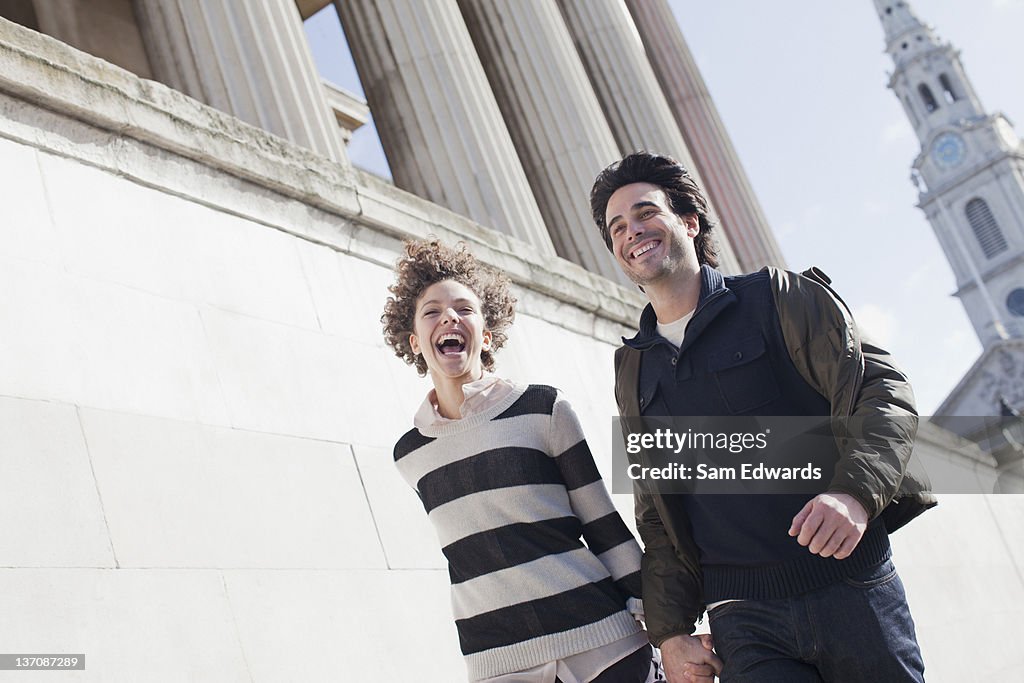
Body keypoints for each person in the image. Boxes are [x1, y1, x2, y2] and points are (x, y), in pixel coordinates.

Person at [588, 152, 936, 683]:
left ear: (688, 222)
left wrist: (854, 493)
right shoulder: (632, 368)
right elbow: (657, 511)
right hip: (743, 621)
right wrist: (670, 633)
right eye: (618, 228)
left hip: (851, 588)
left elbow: (881, 391)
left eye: (644, 213)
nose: (632, 232)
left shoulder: (778, 297)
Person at [382, 239, 666, 683]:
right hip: (500, 663)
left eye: (464, 308)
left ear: (487, 334)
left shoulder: (542, 408)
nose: (449, 317)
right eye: (432, 311)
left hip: (604, 644)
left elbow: (603, 524)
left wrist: (667, 628)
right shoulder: (410, 454)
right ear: (415, 341)